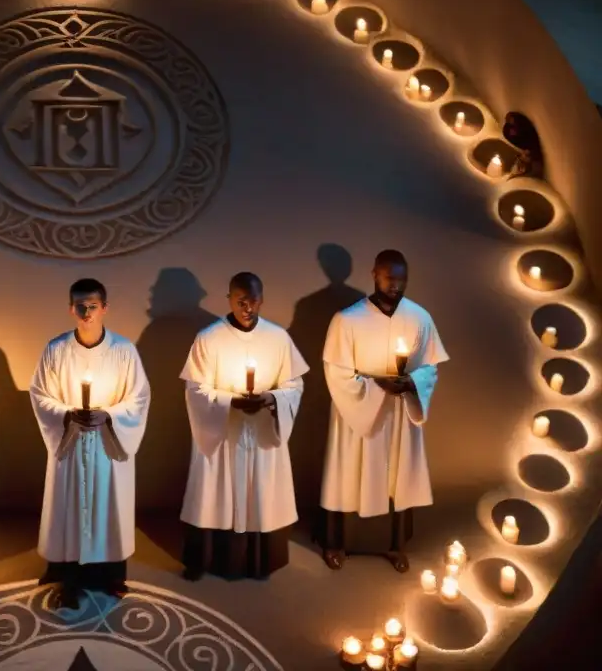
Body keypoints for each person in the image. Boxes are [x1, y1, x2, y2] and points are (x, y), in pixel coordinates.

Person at [318, 250, 448, 572]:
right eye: (390, 277)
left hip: (400, 414)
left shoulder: (420, 318)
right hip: (358, 416)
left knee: (397, 475)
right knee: (349, 474)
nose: (396, 285)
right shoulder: (347, 320)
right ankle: (338, 542)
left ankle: (394, 545)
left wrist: (411, 383)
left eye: (402, 278)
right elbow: (336, 372)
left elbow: (430, 368)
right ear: (374, 273)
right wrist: (376, 387)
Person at [30, 278, 151, 609]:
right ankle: (70, 577)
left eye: (92, 306)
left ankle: (109, 575)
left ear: (104, 308)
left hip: (106, 447)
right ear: (71, 308)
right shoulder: (56, 350)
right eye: (80, 306)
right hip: (70, 446)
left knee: (106, 507)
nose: (86, 312)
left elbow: (139, 398)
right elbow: (40, 395)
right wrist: (68, 415)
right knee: (70, 508)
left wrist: (108, 416)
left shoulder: (123, 350)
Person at [180, 272, 308, 581]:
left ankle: (259, 560)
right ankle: (208, 558)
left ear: (261, 300)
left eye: (252, 301)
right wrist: (230, 402)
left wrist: (271, 398)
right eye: (240, 301)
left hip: (261, 430)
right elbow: (195, 390)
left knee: (260, 491)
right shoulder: (209, 338)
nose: (246, 308)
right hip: (224, 433)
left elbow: (294, 385)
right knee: (215, 491)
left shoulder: (278, 338)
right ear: (229, 299)